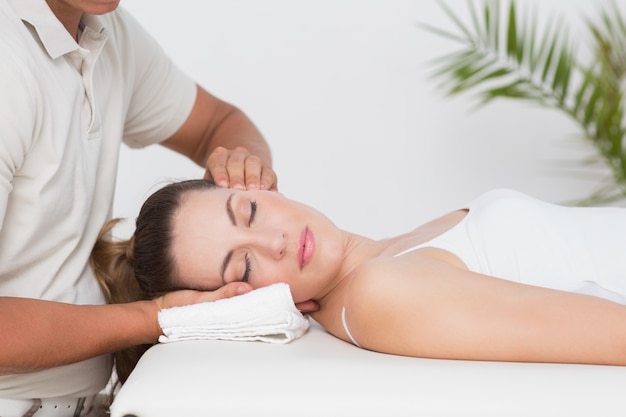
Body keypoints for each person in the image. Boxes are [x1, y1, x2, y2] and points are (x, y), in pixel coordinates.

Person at [0, 0, 288, 415]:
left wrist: (245, 169)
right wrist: (159, 318)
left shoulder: (106, 31)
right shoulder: (9, 62)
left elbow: (217, 123)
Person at [92, 178, 626, 381]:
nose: (274, 240)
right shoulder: (378, 294)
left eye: (250, 210)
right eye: (245, 266)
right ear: (241, 302)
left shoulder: (392, 253)